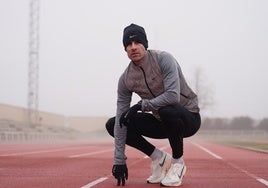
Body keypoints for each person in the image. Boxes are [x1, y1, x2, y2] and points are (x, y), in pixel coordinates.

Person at [105, 23, 201, 187]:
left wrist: (142, 105)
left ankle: (177, 164)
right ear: (125, 49)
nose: (133, 47)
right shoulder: (126, 79)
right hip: (161, 120)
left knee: (168, 109)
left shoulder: (164, 59)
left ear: (145, 44)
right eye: (128, 44)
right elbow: (121, 117)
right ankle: (160, 159)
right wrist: (119, 159)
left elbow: (172, 96)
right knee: (115, 122)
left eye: (137, 42)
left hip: (187, 118)